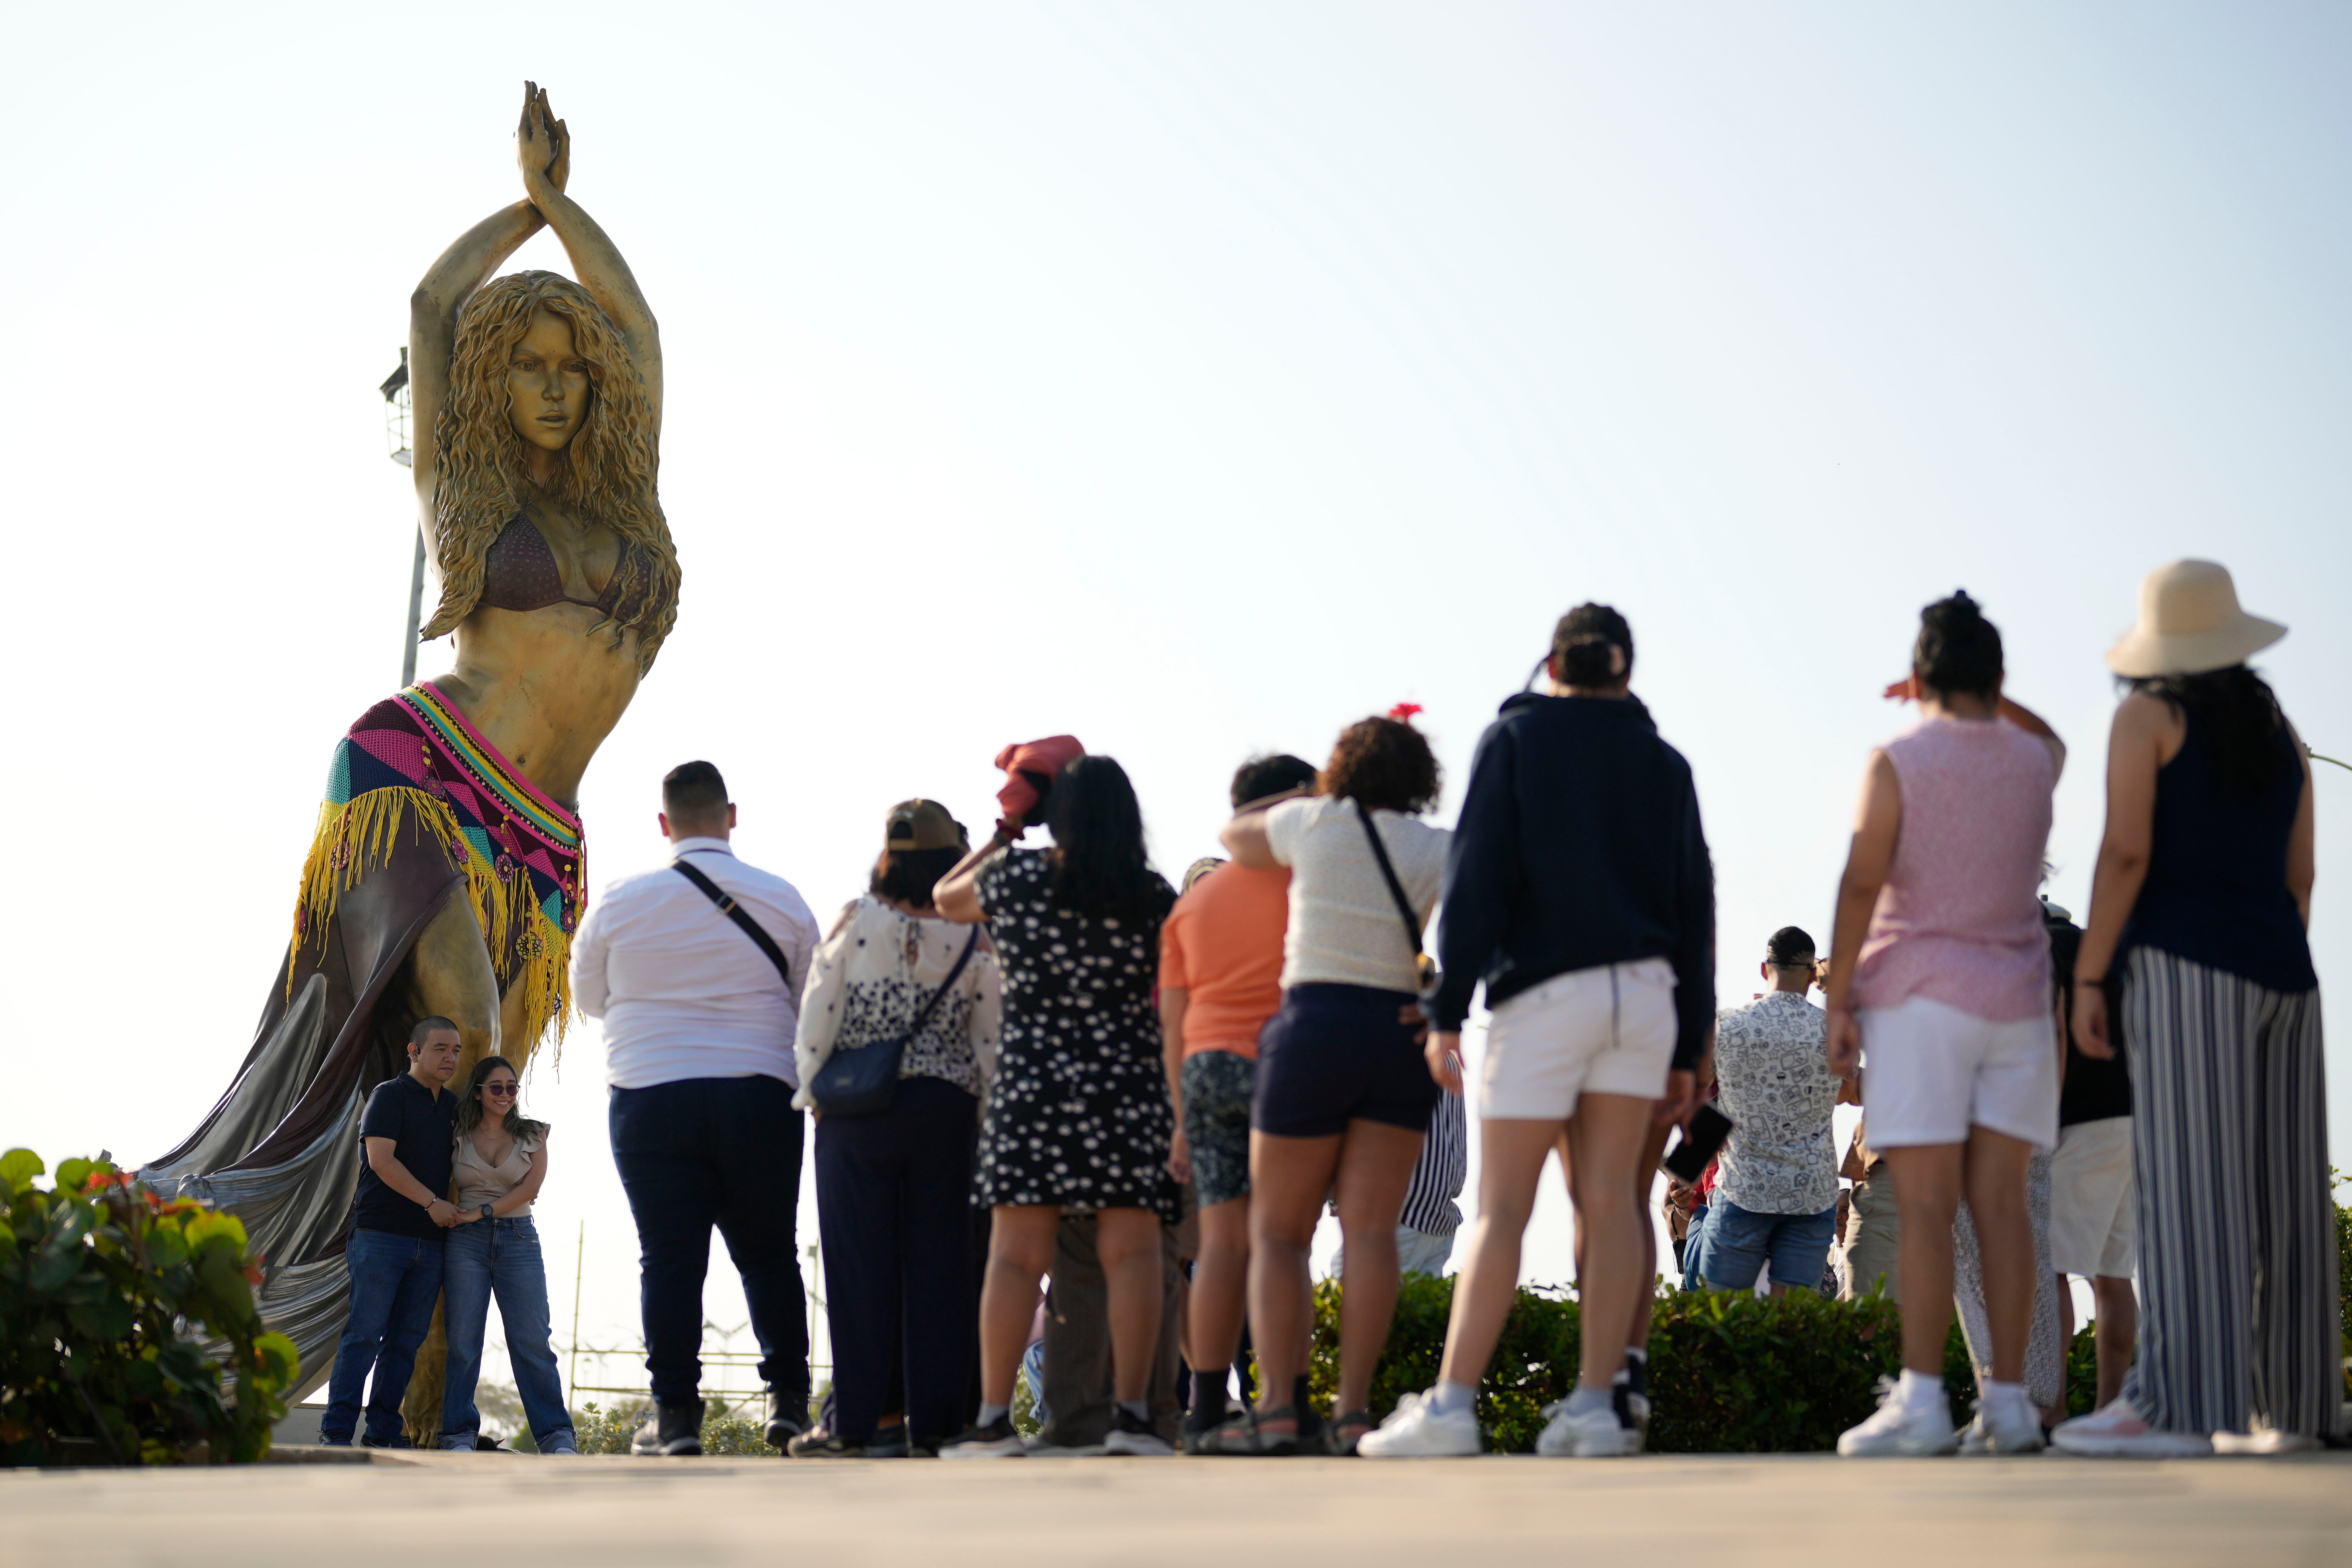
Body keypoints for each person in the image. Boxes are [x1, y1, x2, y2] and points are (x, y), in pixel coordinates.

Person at [145, 85, 681, 1433]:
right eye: (530, 364)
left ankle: (427, 1398)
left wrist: (575, 211)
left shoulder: (629, 501)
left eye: (572, 362)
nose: (555, 381)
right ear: (495, 385)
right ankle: (436, 1396)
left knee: (476, 1105)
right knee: (477, 1056)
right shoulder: (466, 497)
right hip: (418, 775)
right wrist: (527, 204)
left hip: (542, 834)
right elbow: (432, 311)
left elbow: (647, 330)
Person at [1364, 605, 1713, 1460]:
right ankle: (1597, 1406)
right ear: (1626, 668)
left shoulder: (1515, 740)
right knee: (1610, 1202)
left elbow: (1480, 875)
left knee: (1501, 1209)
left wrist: (1446, 1011)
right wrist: (1688, 1046)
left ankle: (1451, 1407)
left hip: (1544, 995)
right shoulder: (1665, 764)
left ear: (1552, 663)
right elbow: (1692, 904)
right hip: (1645, 995)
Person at [2057, 560, 2339, 1456]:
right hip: (2285, 977)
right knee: (2283, 1197)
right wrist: (2265, 948)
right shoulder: (2278, 728)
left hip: (2185, 974)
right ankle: (2295, 1406)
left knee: (2189, 1194)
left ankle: (2176, 1408)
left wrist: (2092, 976)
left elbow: (2124, 854)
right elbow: (2301, 875)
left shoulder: (2143, 716)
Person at [1822, 591, 2065, 1458]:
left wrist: (1841, 997)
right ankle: (2007, 1403)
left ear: (1919, 674)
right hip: (2017, 1005)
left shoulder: (1896, 758)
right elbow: (2052, 736)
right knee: (2004, 1209)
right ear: (1997, 679)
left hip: (1921, 1001)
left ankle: (1923, 1398)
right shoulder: (2034, 757)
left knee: (1926, 1209)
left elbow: (1860, 880)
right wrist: (1985, 692)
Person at [1215, 715, 1451, 1456]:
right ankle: (1353, 1409)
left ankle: (1279, 1405)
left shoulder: (1307, 820)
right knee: (1371, 1230)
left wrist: (1313, 792)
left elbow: (1233, 835)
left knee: (1279, 1231)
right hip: (1396, 1033)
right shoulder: (1438, 847)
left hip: (1313, 1025)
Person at [570, 761, 821, 1458]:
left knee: (669, 1261)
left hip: (650, 1092)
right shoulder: (782, 898)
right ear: (730, 815)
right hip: (759, 1091)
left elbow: (589, 998)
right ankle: (790, 1404)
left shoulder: (619, 902)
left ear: (663, 823)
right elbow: (813, 1000)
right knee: (769, 1253)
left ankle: (676, 1415)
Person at [934, 753, 1180, 1459]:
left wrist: (1006, 828)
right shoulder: (1153, 894)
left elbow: (949, 895)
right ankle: (1132, 1417)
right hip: (1126, 1086)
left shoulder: (1017, 879)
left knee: (1014, 1258)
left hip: (1032, 1086)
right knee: (1132, 1252)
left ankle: (990, 1419)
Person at [790, 800, 1002, 1458]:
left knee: (859, 1268)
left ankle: (858, 1421)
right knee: (940, 1270)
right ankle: (935, 1423)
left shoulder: (858, 919)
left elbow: (819, 1007)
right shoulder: (972, 932)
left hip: (859, 1114)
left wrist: (812, 1089)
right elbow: (989, 1029)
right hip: (946, 1111)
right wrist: (987, 1108)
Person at [1160, 754, 1320, 1449]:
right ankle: (1286, 1402)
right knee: (1284, 1242)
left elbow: (1172, 1019)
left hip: (1204, 1071)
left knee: (1218, 1247)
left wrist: (1176, 1121)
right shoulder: (1309, 882)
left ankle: (1202, 1407)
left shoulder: (1191, 901)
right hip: (1283, 1067)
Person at [319, 1019, 463, 1448]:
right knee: (363, 1335)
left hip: (432, 1243)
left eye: (455, 1050)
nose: (450, 1058)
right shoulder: (389, 1096)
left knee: (405, 1344)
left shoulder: (455, 1106)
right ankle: (336, 1432)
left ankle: (382, 1431)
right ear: (413, 1051)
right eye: (440, 1049)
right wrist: (432, 1203)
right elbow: (382, 1161)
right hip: (381, 1235)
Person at [438, 1055, 575, 1454]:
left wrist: (482, 1211)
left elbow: (529, 1189)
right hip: (465, 1242)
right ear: (479, 1090)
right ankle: (458, 1435)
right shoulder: (456, 1132)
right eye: (496, 1087)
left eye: (512, 1088)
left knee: (532, 1338)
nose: (505, 1095)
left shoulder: (534, 1134)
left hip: (518, 1239)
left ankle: (556, 1436)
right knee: (464, 1340)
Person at [1695, 928, 1840, 1296]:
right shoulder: (1836, 1034)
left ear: (1764, 969)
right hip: (1811, 1191)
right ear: (1811, 974)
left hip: (1744, 1188)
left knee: (1721, 1314)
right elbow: (1851, 1091)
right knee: (1790, 1324)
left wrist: (1687, 1168)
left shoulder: (1725, 1025)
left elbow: (1703, 1097)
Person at [2040, 902, 2137, 1413]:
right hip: (2131, 1119)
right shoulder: (2100, 954)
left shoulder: (2044, 951)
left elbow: (2052, 1031)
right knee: (2112, 1276)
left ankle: (2049, 1410)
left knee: (2050, 1269)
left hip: (2079, 1121)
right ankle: (2110, 1410)